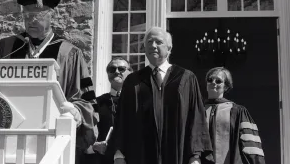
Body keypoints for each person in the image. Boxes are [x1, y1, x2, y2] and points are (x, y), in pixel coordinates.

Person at [0, 0, 98, 163]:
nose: (31, 21)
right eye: (27, 16)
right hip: (6, 139)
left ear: (51, 16)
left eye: (37, 16)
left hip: (50, 139)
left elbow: (86, 99)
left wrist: (76, 111)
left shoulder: (69, 53)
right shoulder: (6, 48)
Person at [112, 27, 214, 164]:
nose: (153, 46)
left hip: (178, 155)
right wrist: (119, 153)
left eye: (158, 42)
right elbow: (122, 118)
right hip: (139, 155)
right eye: (149, 42)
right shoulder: (133, 80)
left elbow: (196, 117)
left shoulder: (186, 78)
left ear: (169, 48)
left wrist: (195, 155)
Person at [204, 67, 265, 164]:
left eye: (218, 81)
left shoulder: (238, 111)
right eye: (210, 80)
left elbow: (251, 147)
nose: (213, 82)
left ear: (226, 87)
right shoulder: (198, 111)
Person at [84, 57, 133, 164]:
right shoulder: (95, 103)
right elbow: (84, 137)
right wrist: (94, 147)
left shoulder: (140, 101)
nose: (116, 72)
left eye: (121, 69)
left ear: (130, 73)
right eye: (112, 69)